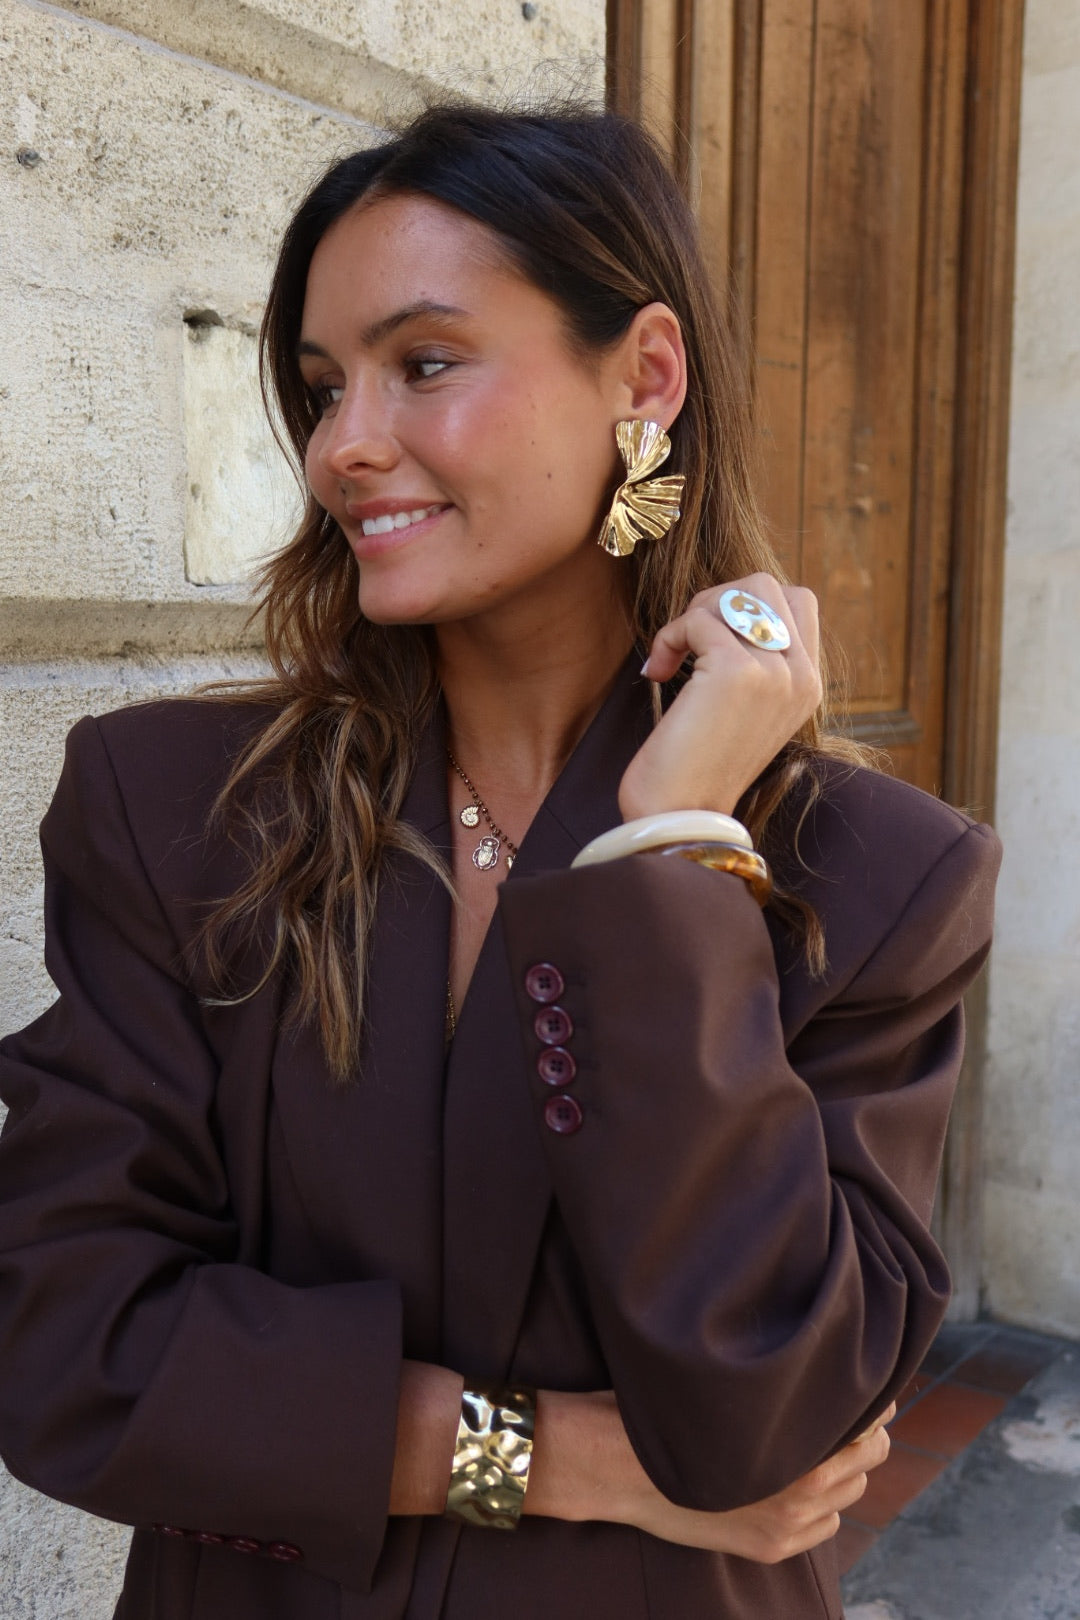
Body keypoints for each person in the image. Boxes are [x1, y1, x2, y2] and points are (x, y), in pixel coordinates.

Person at [0, 102, 1000, 1620]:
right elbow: (64, 1339)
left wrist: (673, 845)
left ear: (644, 378)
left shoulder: (871, 880)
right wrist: (548, 1458)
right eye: (322, 386)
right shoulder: (181, 811)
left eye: (425, 362)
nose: (344, 446)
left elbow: (775, 1416)